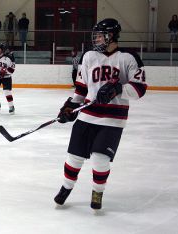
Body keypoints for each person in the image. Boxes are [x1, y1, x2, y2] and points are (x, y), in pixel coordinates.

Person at [53, 18, 147, 210]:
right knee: (74, 156)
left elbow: (139, 89)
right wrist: (69, 106)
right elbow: (81, 89)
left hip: (113, 119)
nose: (95, 39)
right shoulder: (89, 57)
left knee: (100, 158)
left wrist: (117, 89)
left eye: (99, 35)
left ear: (111, 35)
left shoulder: (129, 58)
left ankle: (97, 192)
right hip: (88, 114)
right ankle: (66, 187)